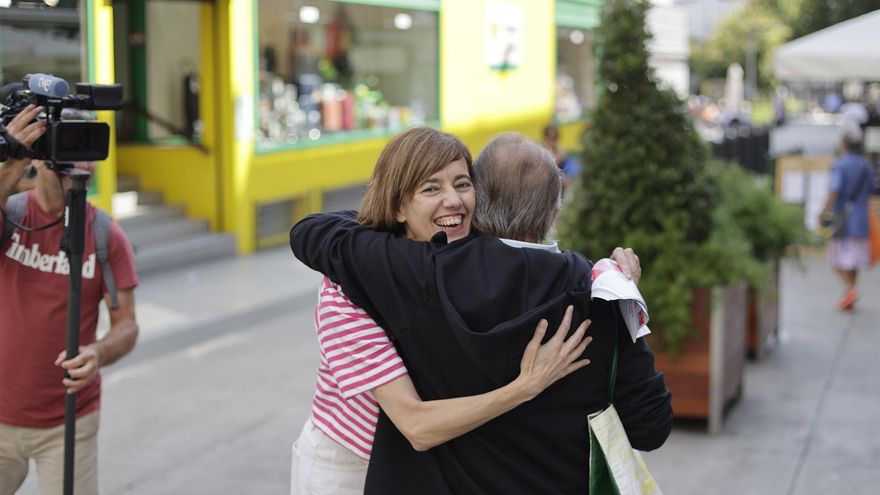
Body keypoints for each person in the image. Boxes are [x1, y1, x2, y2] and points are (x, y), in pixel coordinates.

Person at [291, 130, 672, 493]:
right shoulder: (352, 286)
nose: (453, 201)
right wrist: (525, 386)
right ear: (555, 212)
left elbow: (315, 231)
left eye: (461, 184)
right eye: (430, 188)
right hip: (346, 462)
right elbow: (416, 424)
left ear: (480, 198)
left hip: (414, 470)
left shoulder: (422, 270)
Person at [0, 105, 139, 494]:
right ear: (43, 162)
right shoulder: (9, 214)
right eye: (67, 167)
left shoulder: (104, 234)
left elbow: (126, 324)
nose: (78, 178)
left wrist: (99, 352)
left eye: (87, 169)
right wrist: (12, 163)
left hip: (68, 421)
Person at [820, 132, 877, 310]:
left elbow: (833, 190)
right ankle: (850, 295)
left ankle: (850, 289)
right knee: (855, 260)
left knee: (835, 259)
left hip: (843, 219)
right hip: (861, 218)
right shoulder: (866, 165)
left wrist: (823, 211)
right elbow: (871, 189)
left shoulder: (840, 165)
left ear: (843, 145)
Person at [542, 124, 580, 198]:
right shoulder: (542, 154)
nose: (553, 141)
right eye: (551, 138)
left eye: (555, 137)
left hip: (562, 191)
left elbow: (570, 172)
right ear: (545, 138)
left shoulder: (562, 153)